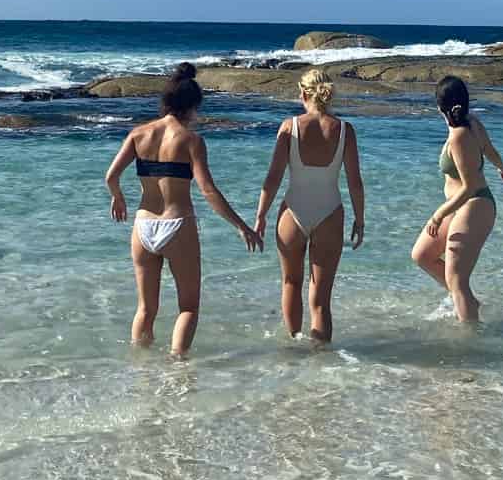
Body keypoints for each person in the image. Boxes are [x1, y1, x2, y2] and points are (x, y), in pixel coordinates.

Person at [105, 63, 262, 357]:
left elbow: (111, 176)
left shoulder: (138, 134)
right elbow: (208, 190)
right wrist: (241, 226)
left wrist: (118, 197)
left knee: (145, 309)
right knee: (188, 307)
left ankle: (140, 369)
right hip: (177, 225)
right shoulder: (192, 141)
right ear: (192, 106)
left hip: (143, 226)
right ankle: (178, 371)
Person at [254, 67, 365, 344]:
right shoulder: (344, 130)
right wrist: (360, 220)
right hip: (330, 213)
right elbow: (355, 183)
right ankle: (321, 360)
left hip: (292, 212)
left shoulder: (290, 127)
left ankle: (293, 348)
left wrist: (261, 216)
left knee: (291, 284)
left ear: (303, 93)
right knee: (321, 299)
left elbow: (273, 178)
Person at [410, 74, 503, 323]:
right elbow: (489, 150)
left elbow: (468, 187)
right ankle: (466, 301)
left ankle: (470, 339)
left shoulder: (459, 136)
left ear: (439, 107)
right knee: (422, 255)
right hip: (462, 206)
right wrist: (502, 167)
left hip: (474, 204)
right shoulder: (472, 122)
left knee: (457, 279)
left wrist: (438, 215)